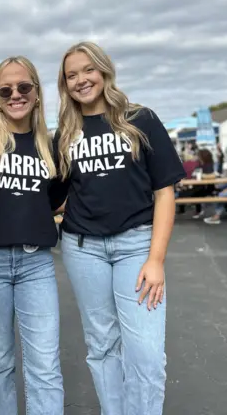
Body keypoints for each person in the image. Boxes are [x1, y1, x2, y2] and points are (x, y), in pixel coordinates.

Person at [53, 41, 186, 415]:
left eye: (87, 70)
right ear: (65, 84)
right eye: (71, 75)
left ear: (104, 70)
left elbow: (164, 192)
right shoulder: (66, 131)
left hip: (136, 246)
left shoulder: (139, 119)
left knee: (145, 352)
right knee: (102, 347)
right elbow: (55, 194)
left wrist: (156, 259)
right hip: (83, 249)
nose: (81, 80)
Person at [0, 56, 64, 414]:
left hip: (38, 264)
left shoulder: (49, 147)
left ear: (36, 92)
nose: (15, 95)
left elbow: (50, 202)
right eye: (6, 90)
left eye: (24, 87)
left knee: (45, 365)